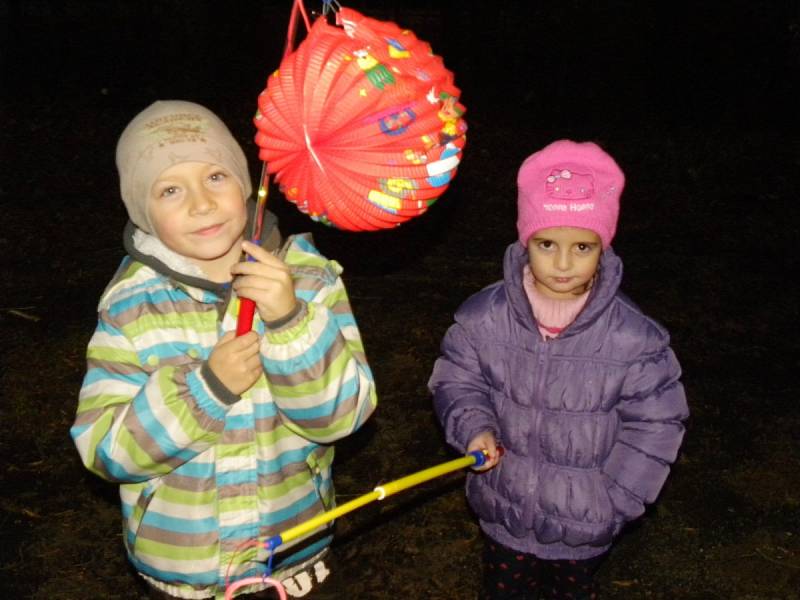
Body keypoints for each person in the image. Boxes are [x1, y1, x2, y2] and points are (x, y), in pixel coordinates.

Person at [70, 100, 377, 599]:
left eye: (216, 177)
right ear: (142, 214)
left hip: (293, 558)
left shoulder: (308, 279)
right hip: (184, 573)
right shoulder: (131, 309)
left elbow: (341, 417)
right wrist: (203, 391)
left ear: (246, 183)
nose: (201, 204)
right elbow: (106, 452)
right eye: (170, 190)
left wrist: (289, 320)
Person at [428, 139, 689, 599]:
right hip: (503, 510)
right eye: (547, 243)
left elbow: (658, 424)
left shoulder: (633, 338)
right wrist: (474, 427)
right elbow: (458, 379)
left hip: (583, 525)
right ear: (525, 239)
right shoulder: (484, 317)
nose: (564, 263)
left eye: (583, 246)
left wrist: (616, 500)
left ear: (603, 247)